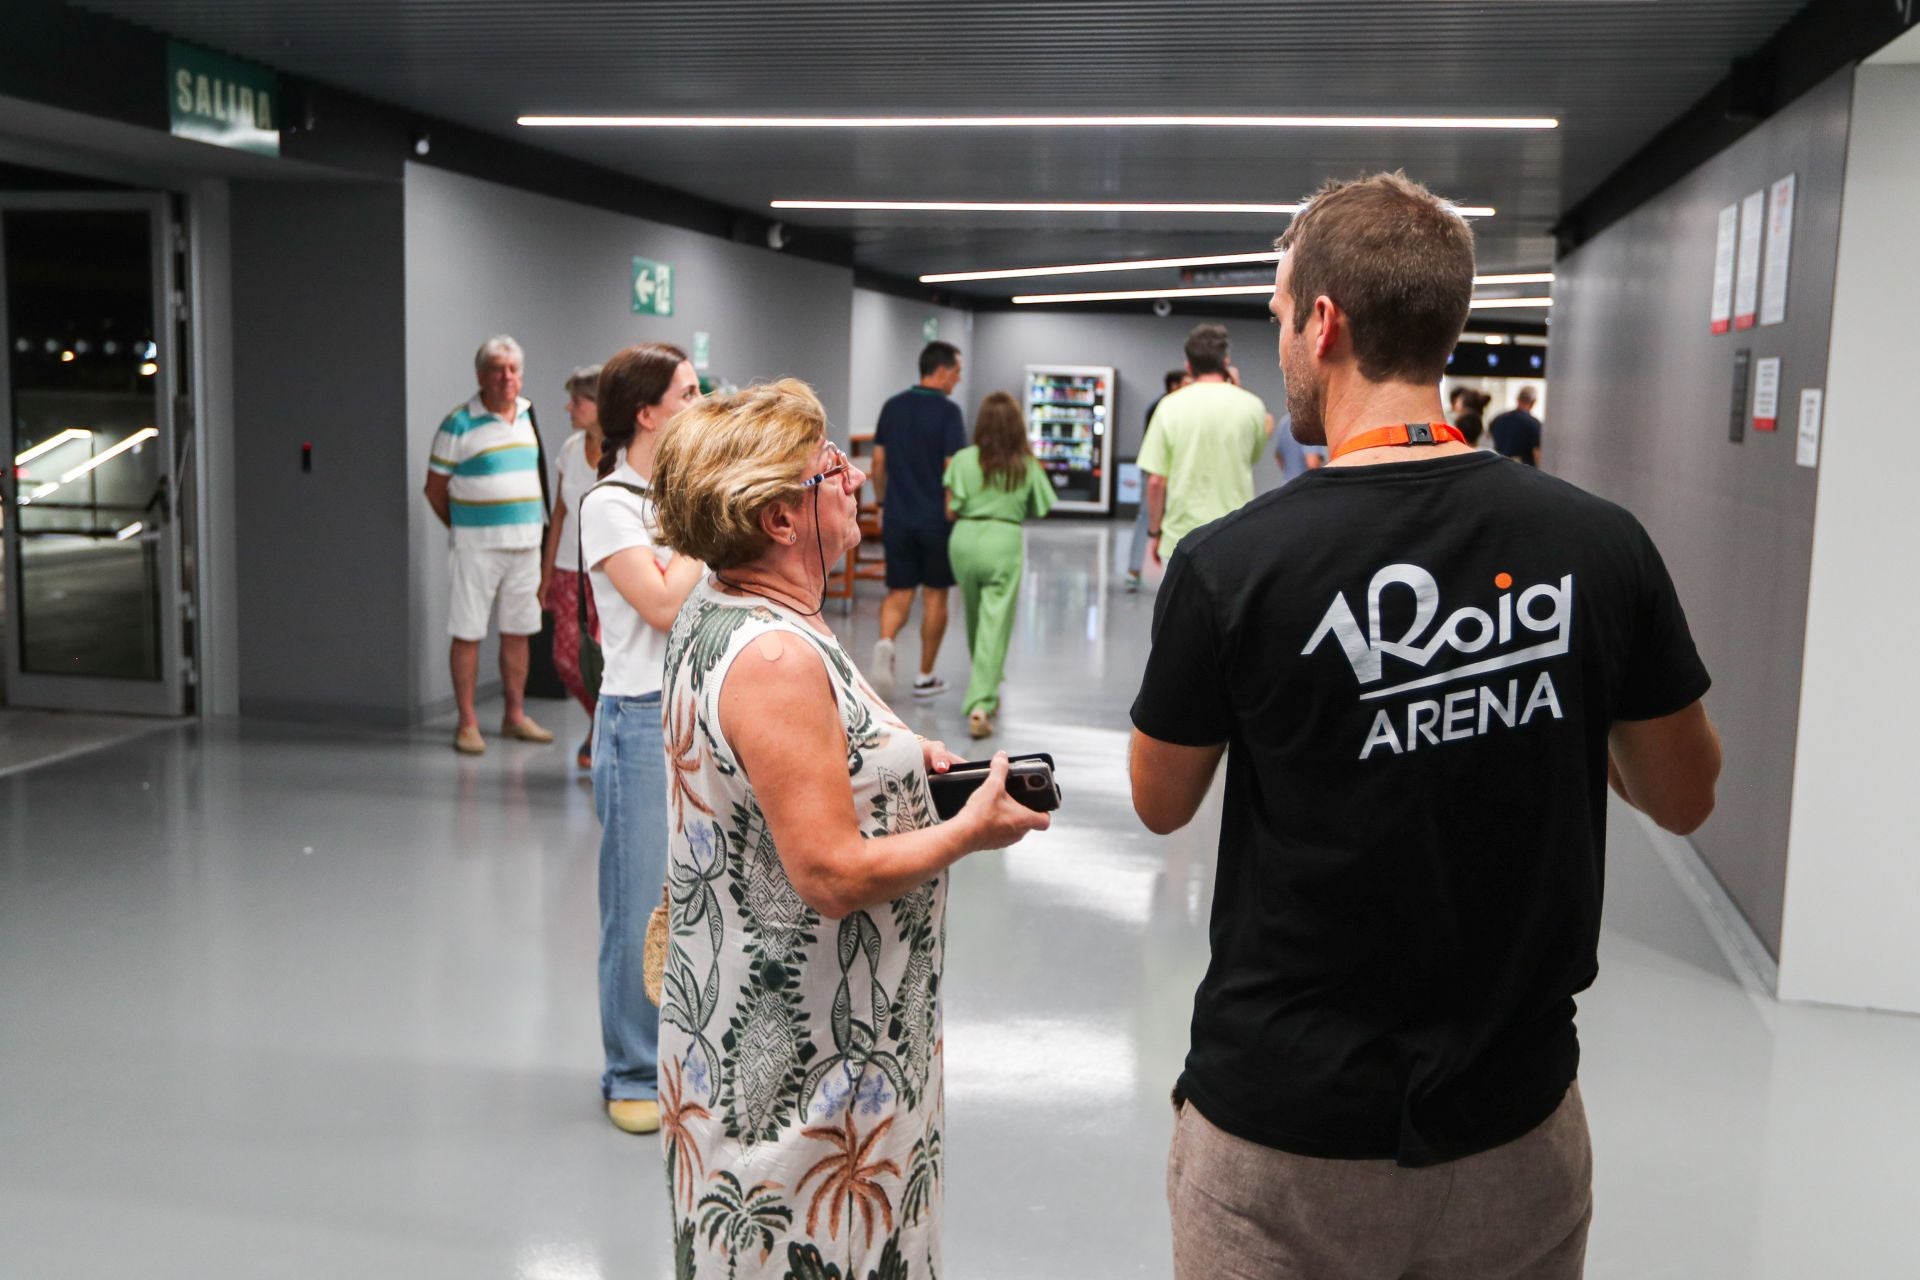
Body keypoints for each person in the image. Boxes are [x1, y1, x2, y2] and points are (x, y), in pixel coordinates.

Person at [1129, 172, 1722, 1280]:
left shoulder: (1231, 567)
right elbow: (1684, 792)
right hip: (1513, 1123)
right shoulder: (1600, 545)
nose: (1280, 350)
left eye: (1278, 316)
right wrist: (1531, 673)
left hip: (1284, 1142)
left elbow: (1164, 799)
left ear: (1325, 320)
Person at [648, 378, 1048, 1278]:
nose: (858, 484)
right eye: (833, 470)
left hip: (771, 1025)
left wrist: (907, 766)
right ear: (780, 519)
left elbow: (791, 771)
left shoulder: (727, 612)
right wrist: (968, 830)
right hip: (811, 1067)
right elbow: (826, 871)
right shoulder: (778, 657)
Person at [578, 343, 706, 1135]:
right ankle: (629, 1069)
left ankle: (680, 1059)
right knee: (636, 905)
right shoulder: (611, 505)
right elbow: (660, 602)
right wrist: (706, 525)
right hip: (637, 722)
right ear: (647, 412)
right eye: (688, 394)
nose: (701, 403)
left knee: (693, 899)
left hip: (699, 713)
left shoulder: (680, 495)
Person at [424, 335, 555, 755]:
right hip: (476, 547)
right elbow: (434, 489)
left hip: (525, 544)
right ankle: (467, 722)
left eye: (513, 369)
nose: (507, 377)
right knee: (467, 631)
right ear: (481, 376)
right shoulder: (458, 422)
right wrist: (463, 525)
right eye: (498, 369)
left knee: (518, 632)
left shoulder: (529, 415)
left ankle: (514, 716)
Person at [944, 391, 1056, 739]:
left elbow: (950, 509)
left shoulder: (962, 460)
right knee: (996, 621)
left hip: (964, 540)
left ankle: (987, 681)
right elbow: (1042, 507)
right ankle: (980, 701)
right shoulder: (1025, 464)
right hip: (1003, 542)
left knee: (976, 618)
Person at [871, 341, 967, 699]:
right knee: (935, 596)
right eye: (956, 373)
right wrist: (954, 509)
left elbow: (878, 463)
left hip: (897, 515)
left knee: (899, 592)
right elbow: (951, 468)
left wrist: (882, 502)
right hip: (936, 520)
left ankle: (885, 643)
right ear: (941, 371)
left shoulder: (892, 407)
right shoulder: (949, 413)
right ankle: (925, 676)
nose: (957, 380)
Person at [1137, 324, 1270, 567]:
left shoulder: (1168, 406)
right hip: (1234, 534)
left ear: (1188, 366)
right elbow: (1252, 455)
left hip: (1181, 537)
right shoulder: (1252, 406)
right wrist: (1237, 389)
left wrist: (1154, 533)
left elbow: (1156, 481)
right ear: (1226, 362)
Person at [539, 364, 604, 768]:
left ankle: (604, 730)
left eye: (577, 401)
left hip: (609, 573)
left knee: (606, 658)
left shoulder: (623, 453)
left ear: (601, 405)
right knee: (566, 659)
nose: (569, 407)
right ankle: (599, 719)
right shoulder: (569, 449)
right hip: (567, 568)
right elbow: (559, 514)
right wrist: (545, 574)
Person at [1125, 369, 1192, 592]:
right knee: (1146, 516)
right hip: (1157, 471)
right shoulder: (1163, 408)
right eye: (1185, 382)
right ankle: (1133, 570)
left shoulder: (1177, 407)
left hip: (1169, 472)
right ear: (1174, 385)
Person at [1490, 385, 1545, 466]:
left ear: (1517, 399)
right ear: (1533, 402)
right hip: (1523, 471)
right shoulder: (1534, 423)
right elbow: (1537, 453)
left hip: (1499, 466)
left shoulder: (1498, 419)